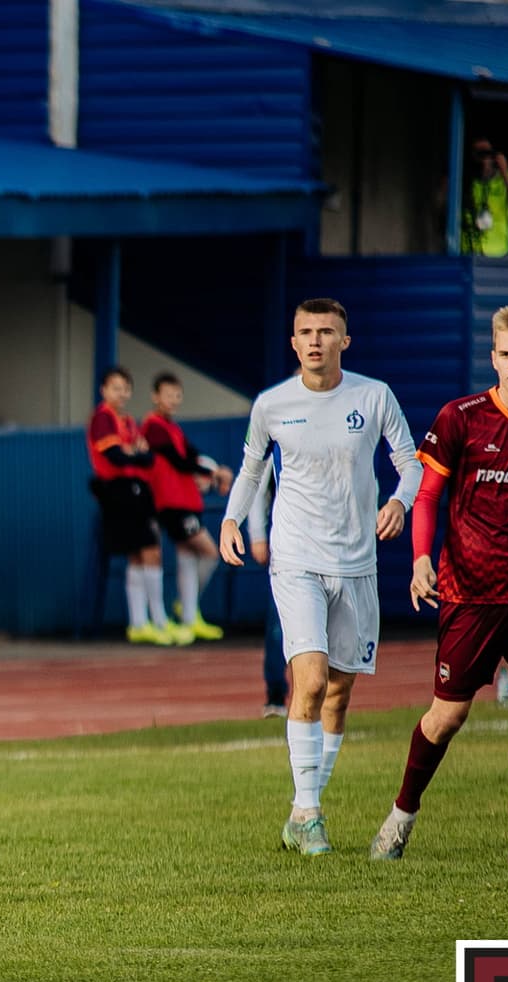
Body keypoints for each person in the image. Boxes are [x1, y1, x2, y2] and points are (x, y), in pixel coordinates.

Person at [369, 305, 508, 867]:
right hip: (470, 593)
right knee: (448, 715)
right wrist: (421, 558)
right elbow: (427, 495)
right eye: (506, 355)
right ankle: (401, 814)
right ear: (492, 357)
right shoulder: (460, 418)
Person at [220, 299, 421, 856]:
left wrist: (402, 502)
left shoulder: (373, 395)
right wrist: (232, 519)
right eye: (305, 332)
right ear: (294, 342)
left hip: (356, 562)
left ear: (344, 341)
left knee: (338, 691)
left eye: (326, 332)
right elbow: (252, 469)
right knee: (307, 682)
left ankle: (299, 809)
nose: (315, 340)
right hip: (295, 559)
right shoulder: (272, 404)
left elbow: (411, 462)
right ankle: (310, 814)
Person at [141, 372, 233, 642]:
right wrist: (214, 474)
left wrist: (214, 470)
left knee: (188, 557)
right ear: (155, 396)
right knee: (209, 552)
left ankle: (191, 617)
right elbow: (179, 462)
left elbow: (191, 455)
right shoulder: (154, 427)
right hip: (171, 503)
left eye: (177, 395)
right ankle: (185, 605)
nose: (173, 400)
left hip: (185, 499)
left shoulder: (173, 428)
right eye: (168, 394)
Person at [86, 368, 170, 645]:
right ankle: (155, 621)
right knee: (148, 550)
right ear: (103, 390)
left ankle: (141, 622)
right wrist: (133, 453)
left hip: (135, 489)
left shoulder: (128, 421)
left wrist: (134, 453)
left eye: (125, 388)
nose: (121, 393)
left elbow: (147, 458)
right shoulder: (102, 418)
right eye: (115, 388)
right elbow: (115, 456)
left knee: (139, 553)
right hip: (119, 491)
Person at [245, 468, 287, 718]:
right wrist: (258, 535)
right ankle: (275, 693)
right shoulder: (279, 430)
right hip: (286, 544)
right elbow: (255, 479)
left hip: (333, 543)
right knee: (277, 624)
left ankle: (331, 694)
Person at [462, 139, 508, 259]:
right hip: (467, 252)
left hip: (498, 253)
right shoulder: (463, 179)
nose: (483, 158)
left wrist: (505, 174)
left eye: (487, 153)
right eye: (479, 153)